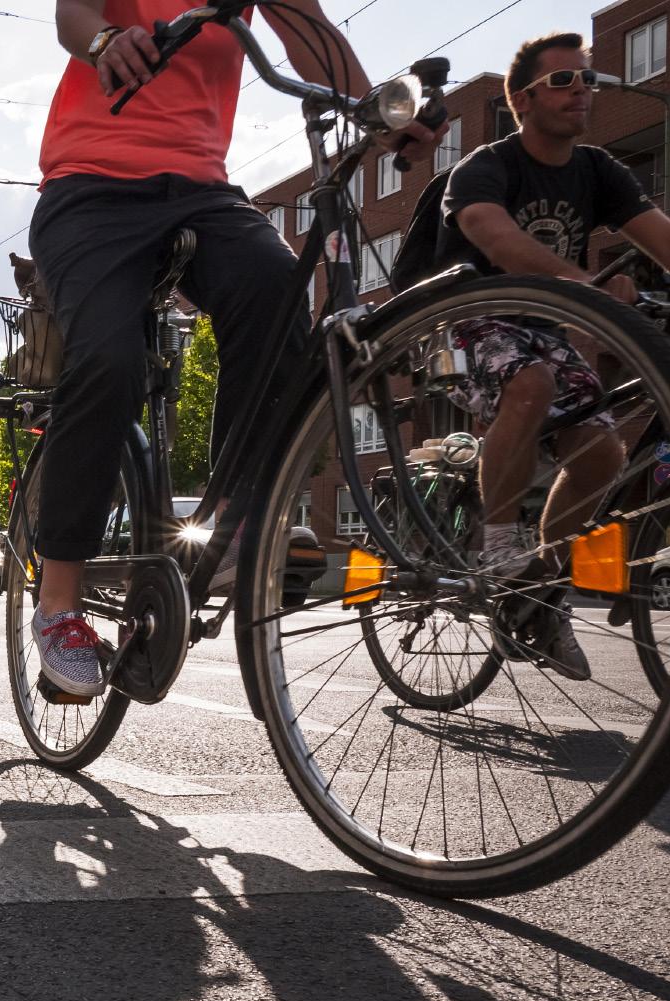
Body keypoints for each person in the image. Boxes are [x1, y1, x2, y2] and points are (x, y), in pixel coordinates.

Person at [29, 0, 440, 697]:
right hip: (89, 186)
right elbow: (74, 15)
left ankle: (233, 528)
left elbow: (310, 32)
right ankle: (58, 601)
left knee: (282, 296)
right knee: (109, 360)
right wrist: (104, 43)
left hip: (201, 190)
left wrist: (376, 110)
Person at [430, 31, 670, 680]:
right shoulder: (487, 166)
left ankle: (539, 592)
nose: (582, 89)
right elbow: (492, 235)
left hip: (550, 328)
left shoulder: (598, 170)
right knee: (527, 383)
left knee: (604, 455)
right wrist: (582, 285)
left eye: (588, 80)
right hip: (468, 322)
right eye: (563, 81)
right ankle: (499, 552)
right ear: (523, 99)